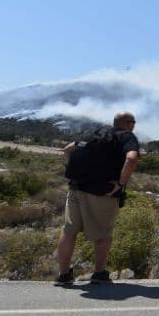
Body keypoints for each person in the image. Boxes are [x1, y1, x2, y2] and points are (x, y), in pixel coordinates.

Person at [53, 112, 141, 285]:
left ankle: (63, 275)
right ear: (129, 124)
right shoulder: (127, 137)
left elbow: (68, 149)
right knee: (103, 234)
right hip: (102, 192)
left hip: (76, 187)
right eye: (134, 122)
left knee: (69, 231)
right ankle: (99, 273)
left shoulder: (97, 132)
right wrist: (120, 184)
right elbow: (131, 158)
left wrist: (82, 172)